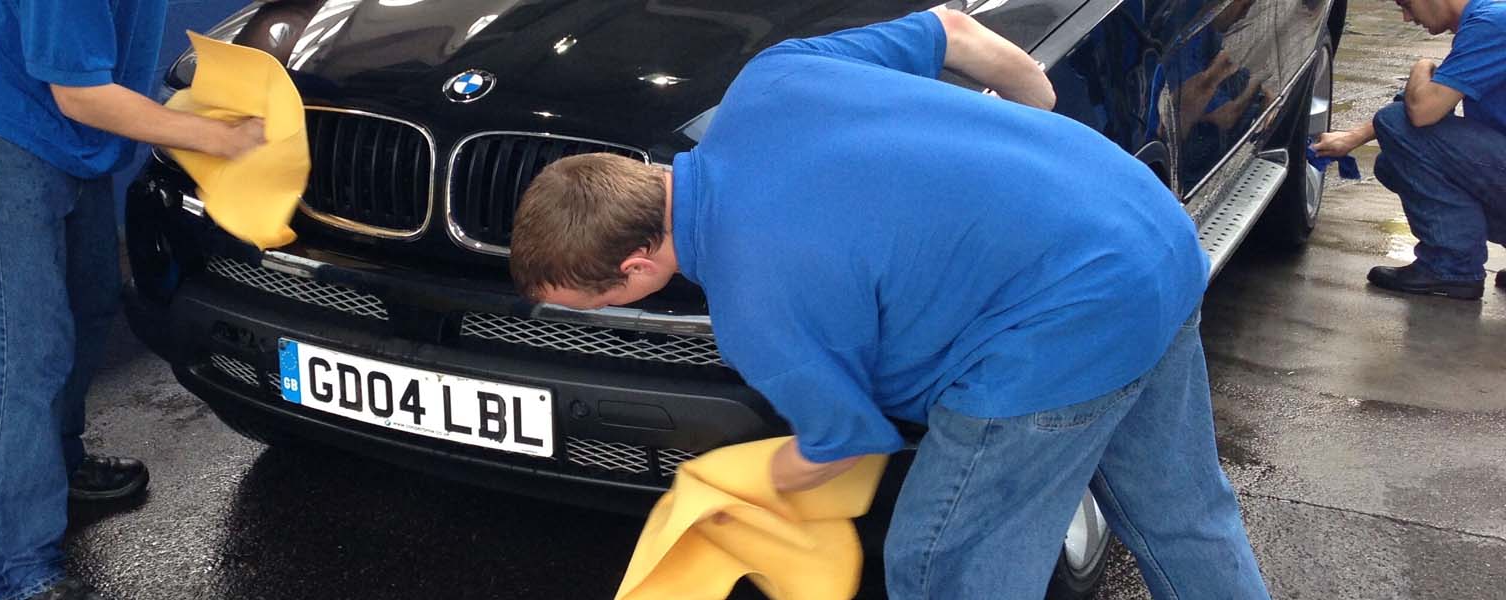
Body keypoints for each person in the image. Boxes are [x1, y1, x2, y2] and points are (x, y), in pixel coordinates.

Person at [507, 8, 1268, 598]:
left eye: (583, 302)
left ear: (637, 268)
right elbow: (953, 29)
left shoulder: (757, 308)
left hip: (1060, 324)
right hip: (1152, 233)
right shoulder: (772, 77)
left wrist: (727, 488)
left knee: (943, 563)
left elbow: (849, 441)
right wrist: (1037, 109)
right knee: (1183, 511)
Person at [0, 1, 263, 598]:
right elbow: (81, 95)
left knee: (91, 303)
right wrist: (220, 137)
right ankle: (14, 567)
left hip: (77, 138)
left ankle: (57, 465)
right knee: (28, 347)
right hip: (12, 126)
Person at [1314, 0, 1506, 300]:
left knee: (1400, 126)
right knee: (1394, 162)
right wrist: (1352, 137)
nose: (1406, 18)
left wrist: (1422, 65)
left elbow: (1422, 111)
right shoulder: (1490, 19)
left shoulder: (1493, 24)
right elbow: (1436, 98)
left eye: (1406, 4)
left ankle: (1452, 267)